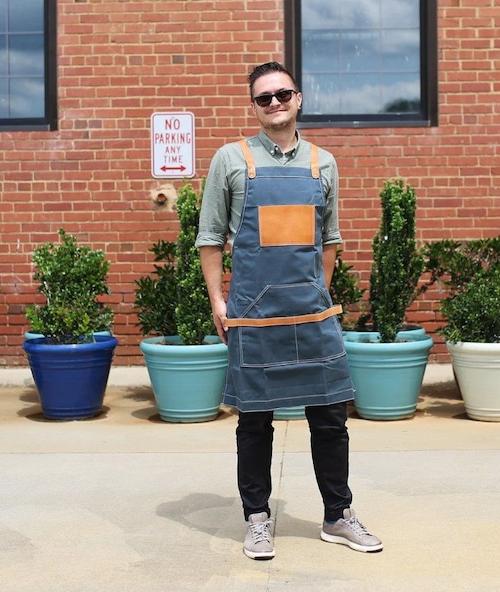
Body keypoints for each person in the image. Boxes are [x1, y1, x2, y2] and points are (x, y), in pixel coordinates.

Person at [196, 61, 382, 560]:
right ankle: (257, 519)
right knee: (254, 420)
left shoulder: (324, 163)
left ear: (298, 98)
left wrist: (314, 297)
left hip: (312, 314)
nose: (274, 103)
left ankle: (338, 517)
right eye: (264, 98)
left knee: (330, 418)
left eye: (282, 94)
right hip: (253, 315)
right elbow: (211, 238)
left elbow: (331, 240)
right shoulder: (230, 160)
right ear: (253, 107)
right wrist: (219, 299)